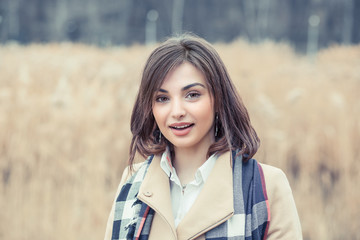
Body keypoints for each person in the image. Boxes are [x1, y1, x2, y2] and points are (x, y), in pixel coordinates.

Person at [104, 34, 302, 240]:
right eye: (162, 98)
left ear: (217, 98)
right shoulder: (132, 182)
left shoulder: (265, 186)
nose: (177, 111)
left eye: (192, 94)